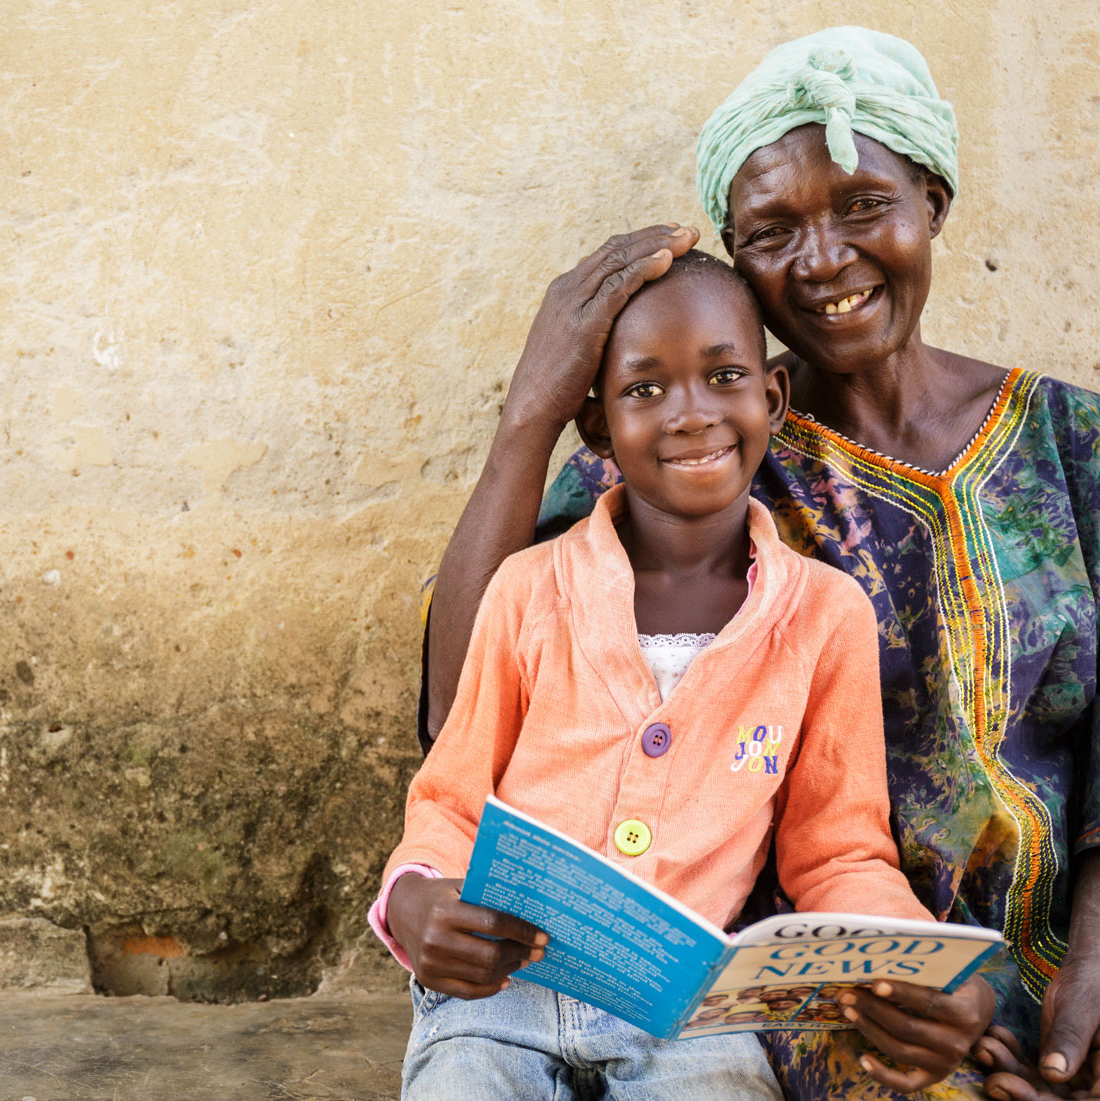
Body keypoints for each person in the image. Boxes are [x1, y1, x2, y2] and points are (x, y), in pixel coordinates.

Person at [419, 25, 1100, 1101]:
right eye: (773, 232)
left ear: (933, 202)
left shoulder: (1088, 449)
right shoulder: (707, 454)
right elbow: (460, 704)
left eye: (865, 206)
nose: (823, 259)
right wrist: (531, 416)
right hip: (836, 969)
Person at [372, 252, 993, 1098]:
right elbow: (448, 797)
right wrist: (413, 899)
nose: (692, 414)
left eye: (724, 375)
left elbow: (839, 849)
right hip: (493, 998)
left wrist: (920, 964)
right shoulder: (528, 587)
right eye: (644, 389)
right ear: (597, 427)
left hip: (688, 1016)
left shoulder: (824, 615)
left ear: (771, 397)